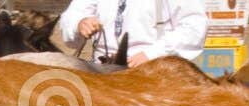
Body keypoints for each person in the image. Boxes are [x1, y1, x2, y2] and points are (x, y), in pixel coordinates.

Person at [58, 0, 207, 66]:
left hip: (153, 73)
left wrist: (152, 54)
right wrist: (80, 23)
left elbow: (194, 27)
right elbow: (71, 17)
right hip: (102, 71)